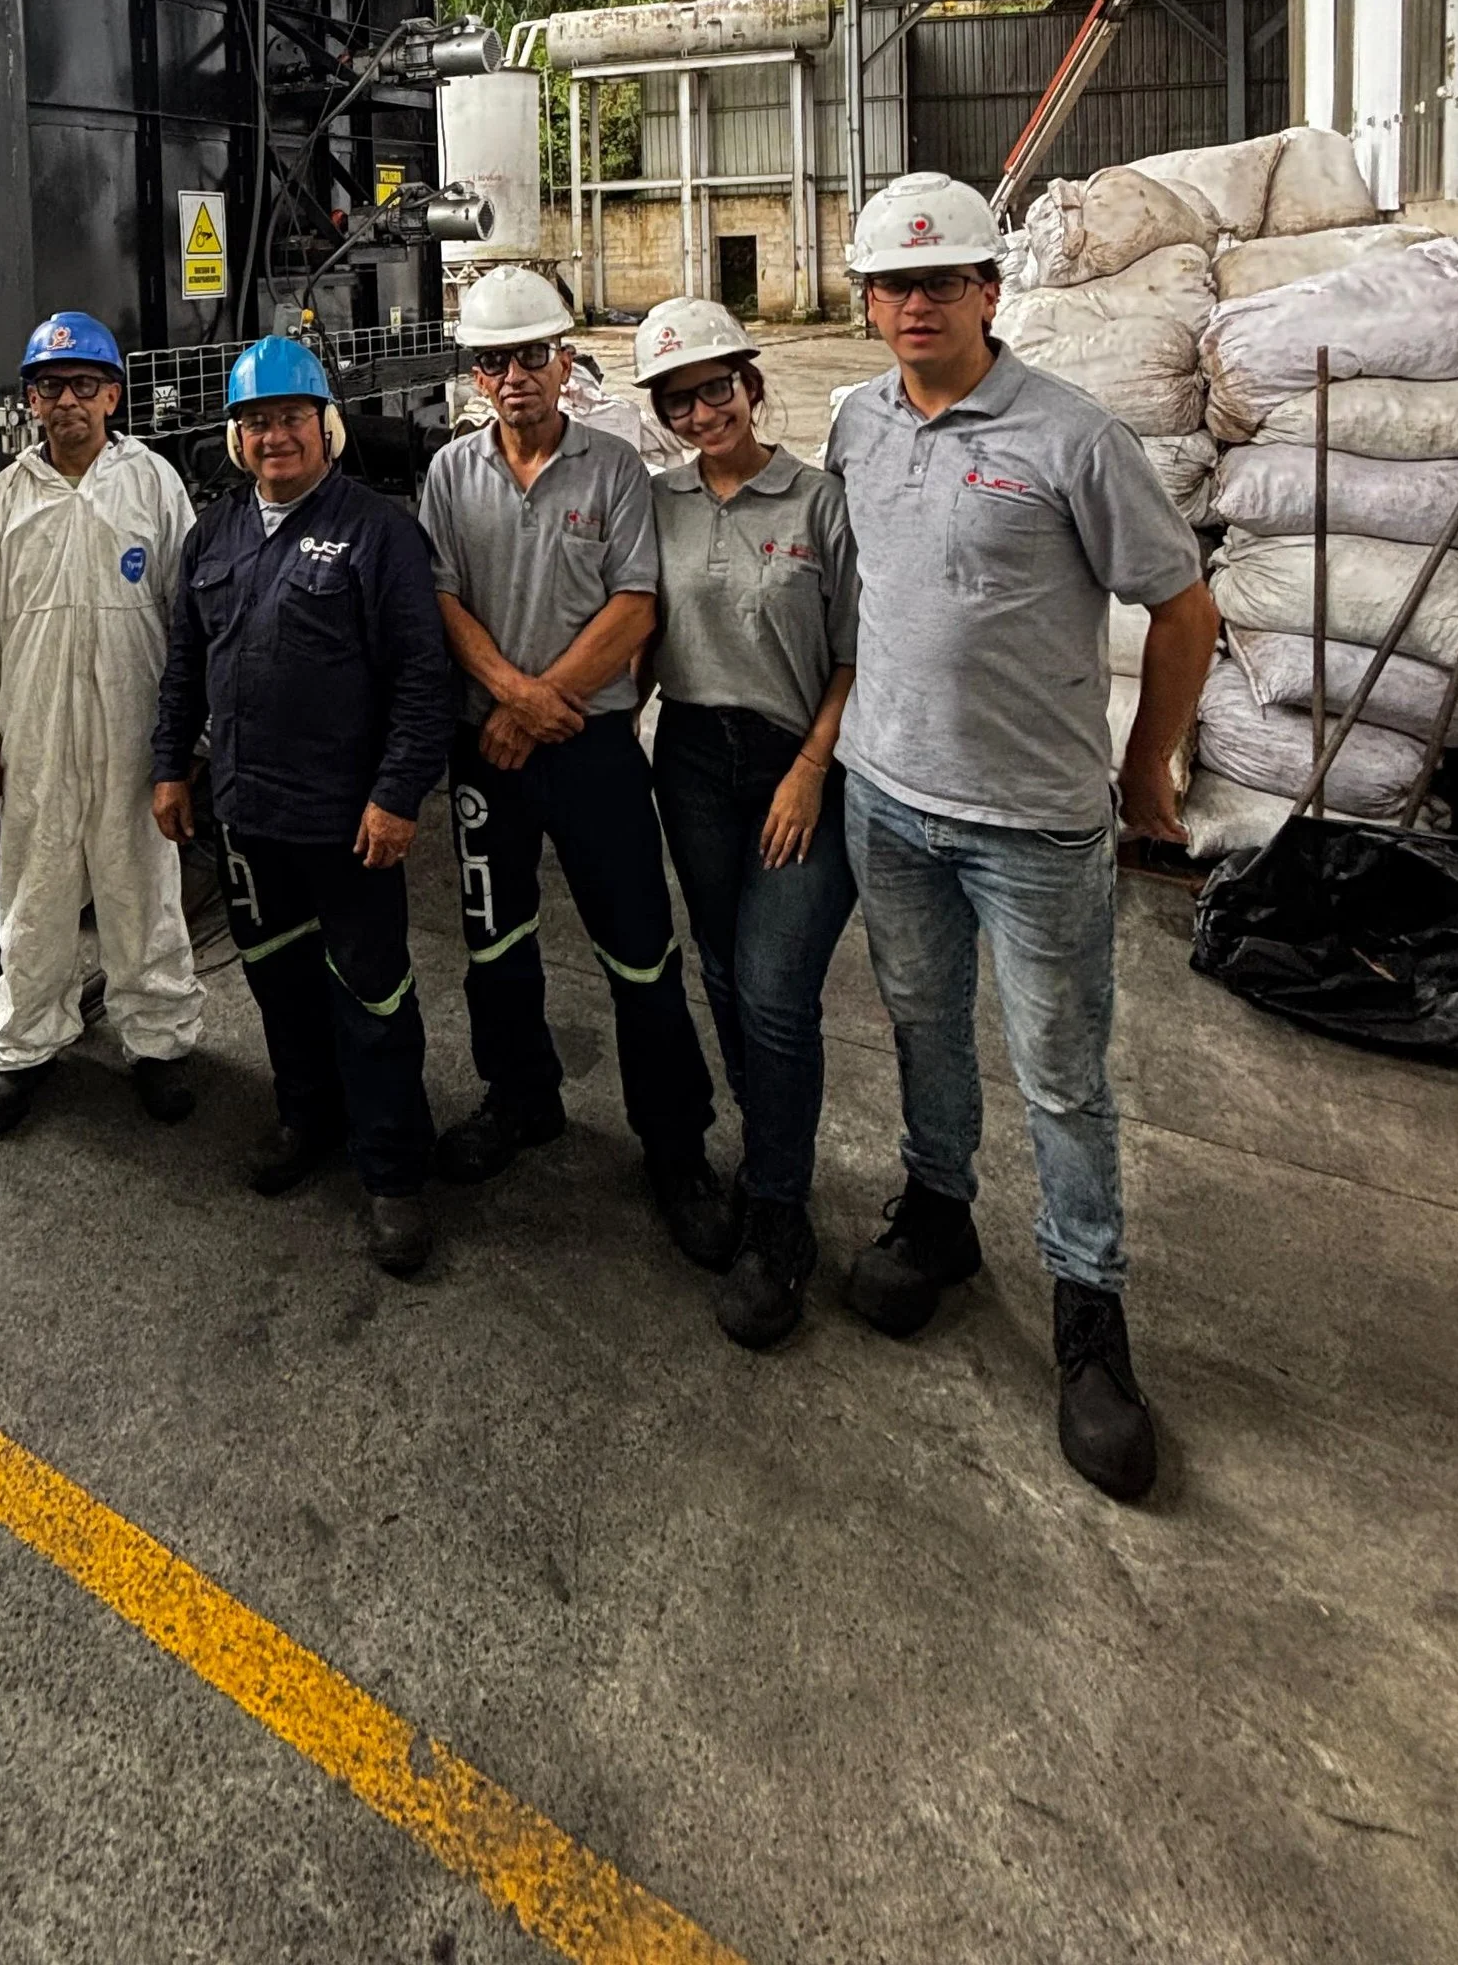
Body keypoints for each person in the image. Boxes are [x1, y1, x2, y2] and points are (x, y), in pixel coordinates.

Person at [826, 171, 1216, 1503]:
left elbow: (1183, 609)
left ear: (991, 290)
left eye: (940, 281)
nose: (915, 303)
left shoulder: (1074, 436)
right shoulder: (854, 427)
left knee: (1061, 1071)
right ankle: (939, 1217)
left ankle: (1089, 1316)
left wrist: (1146, 770)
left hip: (1038, 825)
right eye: (892, 284)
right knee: (925, 1028)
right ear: (868, 302)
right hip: (889, 798)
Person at [417, 266, 737, 1268]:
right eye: (491, 361)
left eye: (530, 356)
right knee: (494, 940)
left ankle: (674, 1144)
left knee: (640, 948)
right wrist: (510, 700)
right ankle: (522, 1099)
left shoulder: (614, 470)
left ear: (564, 363)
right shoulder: (449, 474)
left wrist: (540, 702)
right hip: (490, 749)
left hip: (592, 749)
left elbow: (635, 606)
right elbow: (441, 605)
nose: (512, 376)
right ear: (473, 376)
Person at [151, 336, 449, 1276]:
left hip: (350, 821)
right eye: (253, 422)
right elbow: (184, 667)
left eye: (288, 417)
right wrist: (170, 769)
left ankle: (394, 1167)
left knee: (372, 992)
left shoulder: (379, 531)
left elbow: (422, 679)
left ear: (325, 426)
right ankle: (304, 1117)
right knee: (277, 979)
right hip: (248, 813)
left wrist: (397, 795)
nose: (271, 436)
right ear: (235, 439)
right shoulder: (216, 533)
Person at [633, 296, 859, 1350]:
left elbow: (860, 652)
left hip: (797, 767)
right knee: (721, 972)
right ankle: (766, 1154)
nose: (700, 411)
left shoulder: (819, 503)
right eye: (679, 400)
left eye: (715, 389)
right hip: (688, 755)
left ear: (752, 387)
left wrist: (812, 767)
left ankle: (778, 1214)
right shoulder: (658, 502)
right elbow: (634, 627)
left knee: (773, 989)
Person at [0, 311, 203, 1137]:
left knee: (141, 885)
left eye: (84, 385)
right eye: (51, 385)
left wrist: (182, 742)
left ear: (113, 396)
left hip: (134, 728)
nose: (67, 401)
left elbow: (188, 618)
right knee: (36, 887)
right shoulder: (8, 498)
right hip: (37, 730)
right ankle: (23, 1042)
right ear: (31, 398)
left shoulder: (154, 484)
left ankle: (158, 1039)